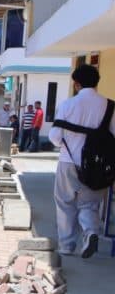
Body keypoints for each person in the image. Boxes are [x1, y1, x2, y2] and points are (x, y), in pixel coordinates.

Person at [48, 64, 114, 258]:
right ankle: (91, 231)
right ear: (97, 83)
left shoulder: (68, 105)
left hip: (69, 161)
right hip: (99, 165)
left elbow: (55, 136)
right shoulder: (110, 106)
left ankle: (67, 246)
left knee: (65, 203)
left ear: (76, 84)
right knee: (90, 204)